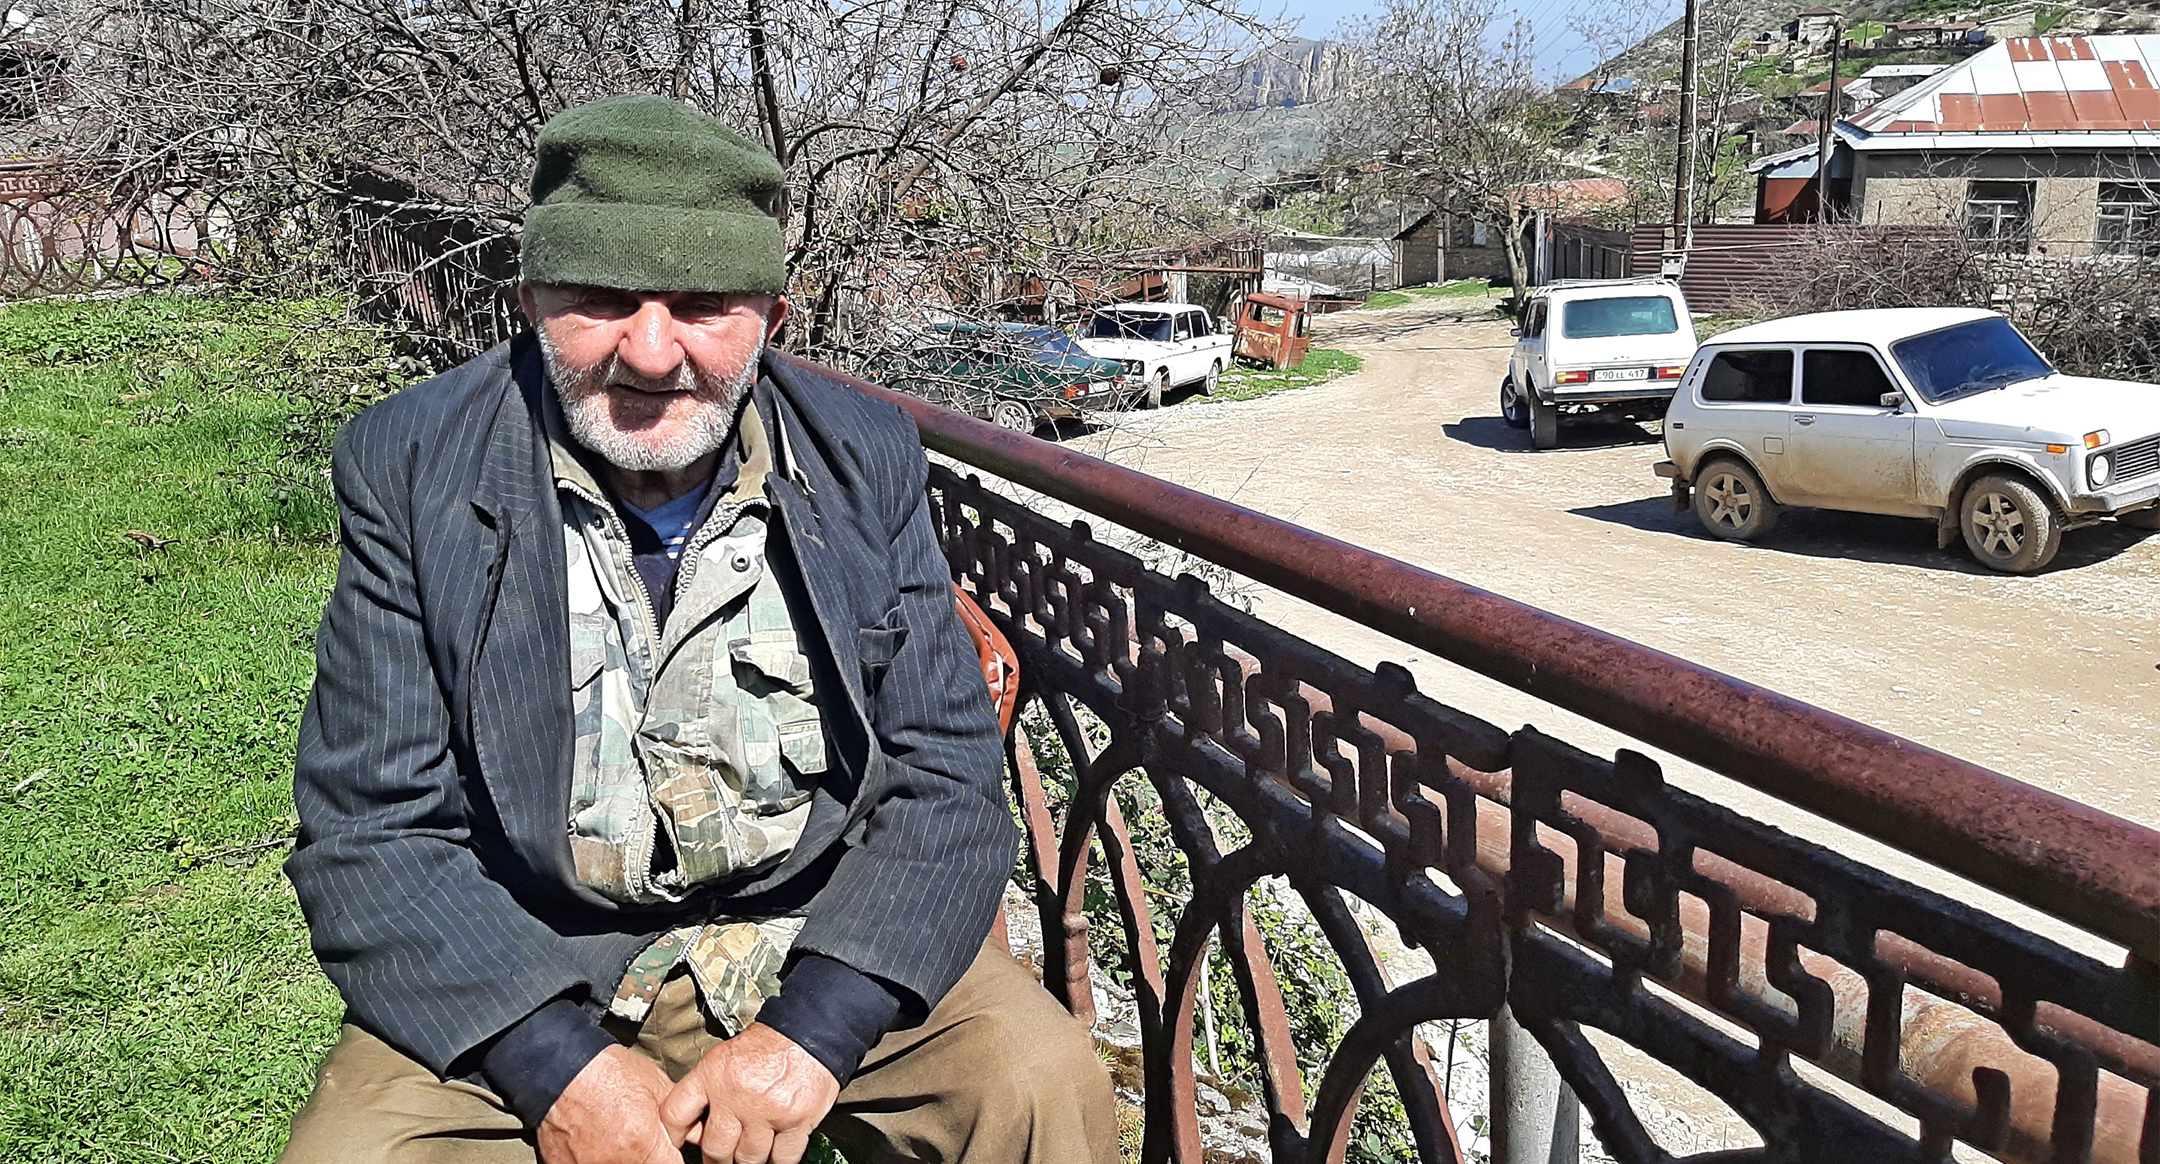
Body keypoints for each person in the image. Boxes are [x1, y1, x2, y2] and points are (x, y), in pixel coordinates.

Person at [277, 94, 1115, 1164]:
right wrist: (553, 1066)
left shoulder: (862, 456)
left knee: (1038, 1086)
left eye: (704, 305)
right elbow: (372, 825)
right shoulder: (415, 464)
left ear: (772, 318)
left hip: (815, 924)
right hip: (532, 947)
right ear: (531, 303)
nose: (650, 351)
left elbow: (944, 775)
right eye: (601, 301)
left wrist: (816, 1031)